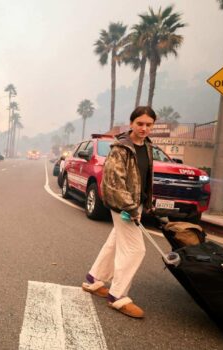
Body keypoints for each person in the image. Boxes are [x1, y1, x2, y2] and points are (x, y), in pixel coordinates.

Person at [80, 106, 156, 319]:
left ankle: (94, 279)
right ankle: (118, 295)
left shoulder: (147, 146)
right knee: (135, 249)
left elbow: (143, 176)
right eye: (140, 123)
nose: (144, 128)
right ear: (131, 123)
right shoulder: (120, 148)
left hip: (135, 203)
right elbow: (114, 182)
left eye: (149, 124)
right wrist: (130, 207)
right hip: (124, 205)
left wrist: (145, 202)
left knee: (115, 242)